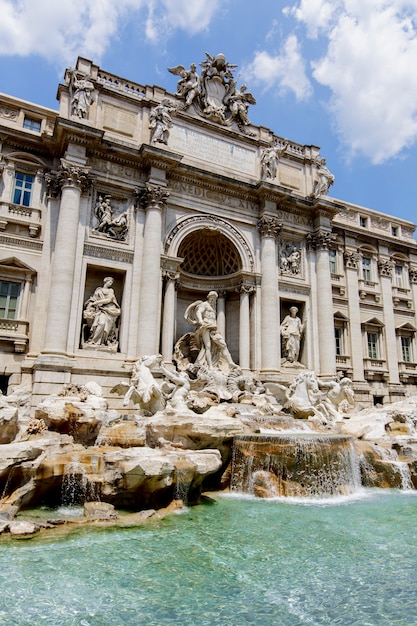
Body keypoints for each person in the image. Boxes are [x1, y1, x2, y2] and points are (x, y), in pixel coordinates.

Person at [185, 291, 236, 370]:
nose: (213, 300)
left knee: (223, 345)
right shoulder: (204, 304)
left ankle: (230, 363)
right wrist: (201, 321)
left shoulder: (213, 307)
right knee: (208, 346)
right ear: (208, 297)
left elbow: (213, 318)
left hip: (213, 327)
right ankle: (210, 366)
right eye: (212, 298)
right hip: (205, 326)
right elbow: (198, 312)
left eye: (214, 298)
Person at [83, 277, 121, 346]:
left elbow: (109, 300)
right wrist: (91, 305)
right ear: (105, 281)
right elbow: (93, 299)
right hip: (99, 310)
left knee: (102, 323)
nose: (110, 284)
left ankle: (102, 341)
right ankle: (94, 340)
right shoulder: (98, 290)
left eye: (111, 283)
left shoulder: (111, 291)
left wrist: (96, 303)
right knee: (100, 323)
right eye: (110, 282)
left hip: (108, 310)